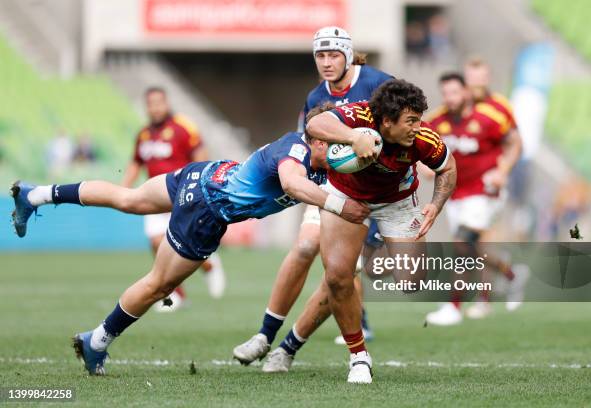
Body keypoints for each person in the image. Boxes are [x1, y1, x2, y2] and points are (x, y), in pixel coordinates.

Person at [10, 113, 370, 376]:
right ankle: (96, 343)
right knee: (159, 284)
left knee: (129, 198)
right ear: (319, 138)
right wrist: (338, 204)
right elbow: (292, 184)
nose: (343, 151)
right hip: (207, 210)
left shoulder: (322, 163)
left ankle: (36, 194)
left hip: (203, 175)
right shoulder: (296, 150)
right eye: (338, 143)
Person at [233, 26, 393, 367]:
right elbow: (307, 142)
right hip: (332, 186)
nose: (326, 62)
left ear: (348, 55)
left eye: (333, 54)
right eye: (320, 55)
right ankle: (264, 334)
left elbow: (405, 126)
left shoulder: (379, 83)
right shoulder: (314, 96)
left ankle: (287, 349)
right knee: (305, 246)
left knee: (338, 276)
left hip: (374, 194)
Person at [300, 79, 456, 383]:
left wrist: (436, 205)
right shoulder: (359, 116)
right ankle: (358, 357)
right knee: (337, 277)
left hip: (397, 202)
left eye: (419, 119)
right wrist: (352, 138)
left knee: (411, 281)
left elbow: (448, 168)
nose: (417, 127)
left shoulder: (424, 138)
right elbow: (316, 123)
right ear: (386, 121)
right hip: (346, 195)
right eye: (411, 120)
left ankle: (374, 247)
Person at [425, 72, 528, 326]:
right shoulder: (437, 120)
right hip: (456, 194)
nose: (450, 98)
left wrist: (502, 171)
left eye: (455, 92)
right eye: (446, 93)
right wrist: (425, 165)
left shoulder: (489, 118)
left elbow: (515, 143)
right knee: (477, 250)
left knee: (462, 242)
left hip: (485, 191)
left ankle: (454, 306)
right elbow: (421, 148)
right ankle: (512, 274)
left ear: (467, 93)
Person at [123, 87, 225, 311]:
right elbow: (136, 162)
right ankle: (174, 294)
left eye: (159, 102)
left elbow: (201, 158)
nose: (156, 107)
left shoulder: (183, 128)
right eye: (151, 103)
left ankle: (209, 265)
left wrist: (204, 187)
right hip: (155, 196)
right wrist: (124, 190)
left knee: (182, 245)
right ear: (146, 106)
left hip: (182, 194)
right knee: (156, 243)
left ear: (166, 103)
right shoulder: (144, 135)